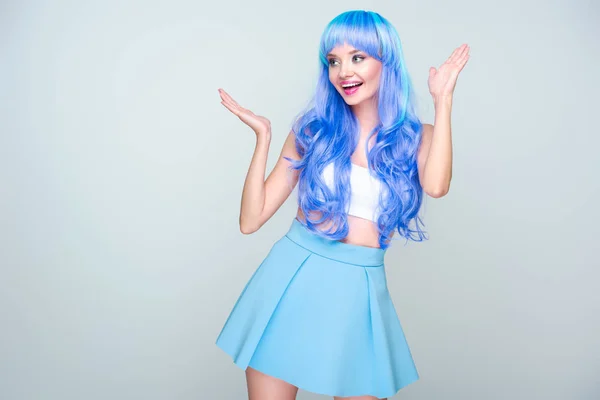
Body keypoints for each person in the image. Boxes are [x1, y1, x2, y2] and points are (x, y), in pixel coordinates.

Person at [215, 9, 469, 400]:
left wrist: (443, 100)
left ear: (386, 61)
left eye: (357, 57)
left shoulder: (417, 137)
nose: (343, 72)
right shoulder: (313, 130)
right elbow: (251, 220)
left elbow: (436, 186)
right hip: (290, 280)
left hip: (359, 292)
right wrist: (263, 138)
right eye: (333, 61)